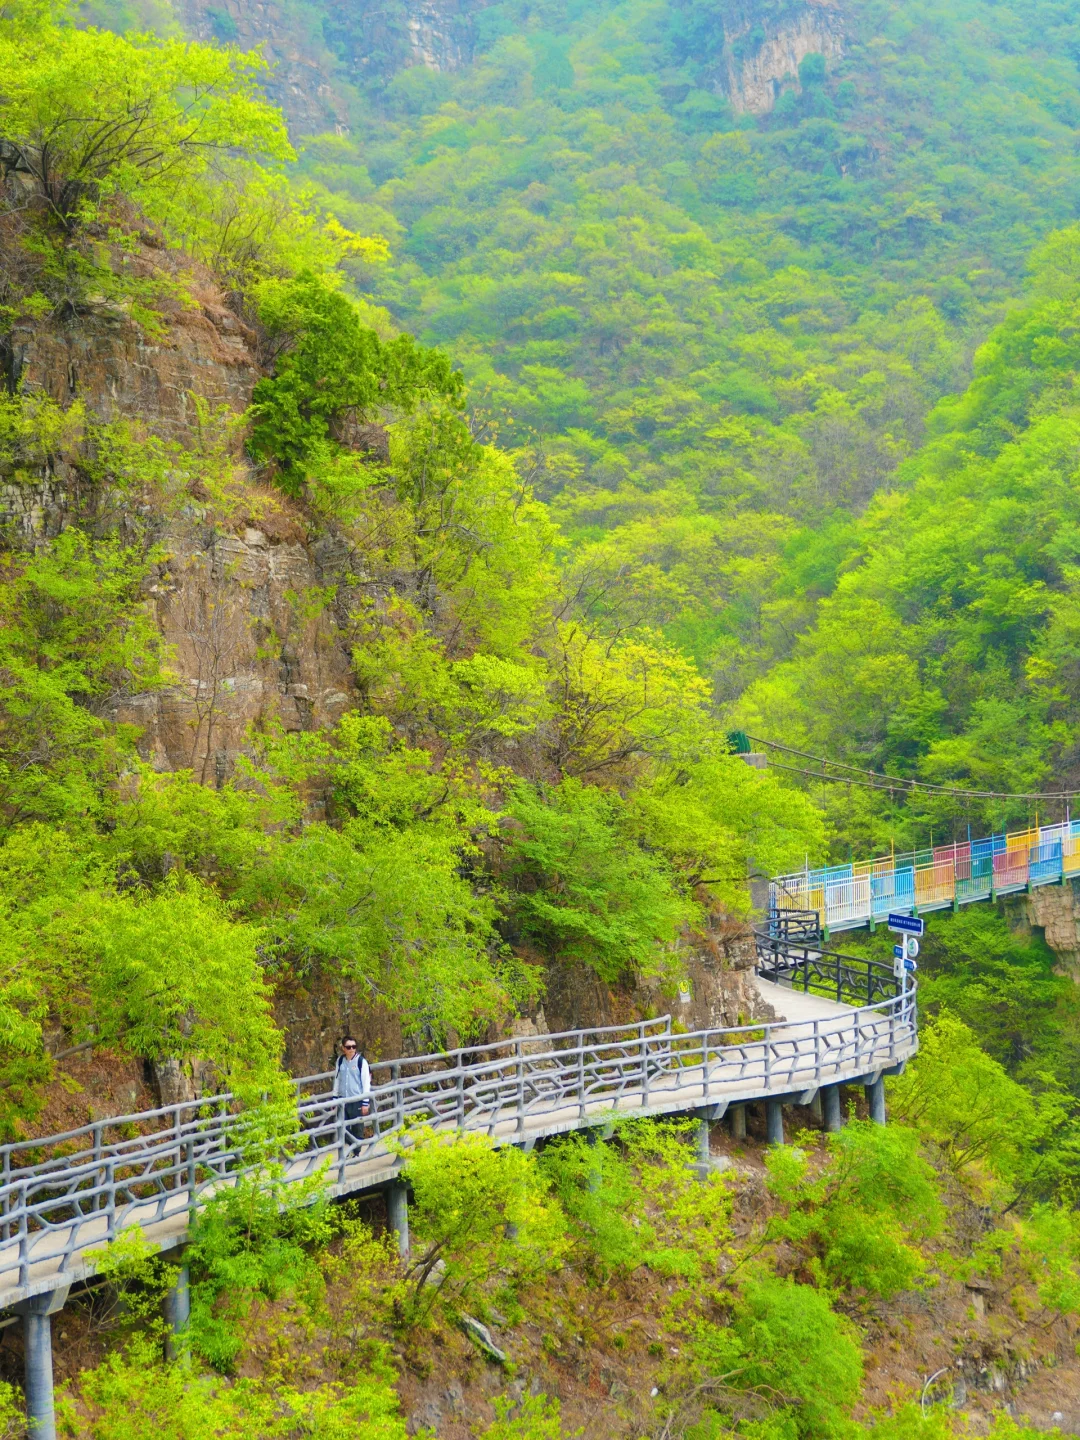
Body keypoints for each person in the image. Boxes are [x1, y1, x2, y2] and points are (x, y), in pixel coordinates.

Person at [333, 1036, 371, 1148]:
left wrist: (365, 1102)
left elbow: (366, 1083)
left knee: (357, 1127)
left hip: (356, 1100)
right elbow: (337, 1079)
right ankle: (351, 1148)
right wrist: (334, 1097)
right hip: (343, 1099)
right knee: (343, 1127)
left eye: (354, 1047)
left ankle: (356, 1152)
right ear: (343, 1048)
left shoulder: (361, 1062)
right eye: (348, 1047)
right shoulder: (340, 1061)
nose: (351, 1049)